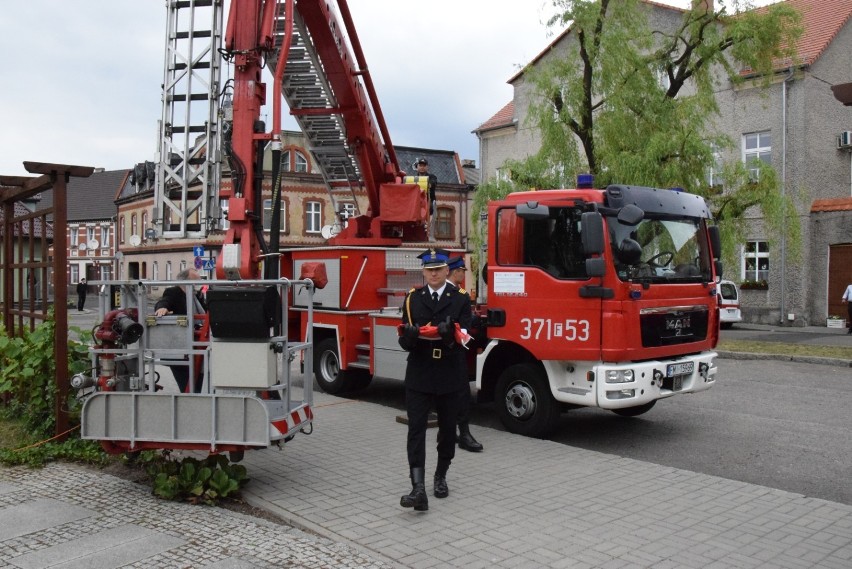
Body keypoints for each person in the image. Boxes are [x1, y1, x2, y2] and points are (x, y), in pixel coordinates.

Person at [398, 248, 472, 511]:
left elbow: (467, 337)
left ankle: (440, 476)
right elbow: (404, 338)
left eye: (438, 269)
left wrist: (450, 335)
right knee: (416, 429)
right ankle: (417, 487)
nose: (433, 274)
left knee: (448, 429)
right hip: (419, 371)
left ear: (446, 271)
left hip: (449, 373)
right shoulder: (412, 300)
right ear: (423, 272)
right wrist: (407, 338)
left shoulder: (461, 299)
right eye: (429, 270)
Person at [446, 256, 483, 453]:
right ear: (455, 271)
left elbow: (465, 326)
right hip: (441, 353)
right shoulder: (438, 294)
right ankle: (449, 432)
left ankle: (464, 433)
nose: (464, 273)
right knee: (446, 394)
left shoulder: (460, 295)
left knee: (461, 394)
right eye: (463, 270)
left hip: (456, 351)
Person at [154, 268, 206, 392]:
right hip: (179, 348)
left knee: (198, 383)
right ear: (185, 281)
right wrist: (162, 308)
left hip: (196, 346)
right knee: (187, 385)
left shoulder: (196, 295)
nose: (198, 284)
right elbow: (164, 302)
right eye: (196, 281)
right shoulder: (174, 292)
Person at [415, 158, 438, 242]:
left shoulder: (432, 177)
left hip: (429, 202)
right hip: (416, 202)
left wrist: (429, 184)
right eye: (420, 165)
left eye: (424, 166)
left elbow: (433, 183)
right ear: (417, 167)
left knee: (431, 209)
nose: (422, 167)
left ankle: (428, 230)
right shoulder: (413, 178)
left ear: (427, 167)